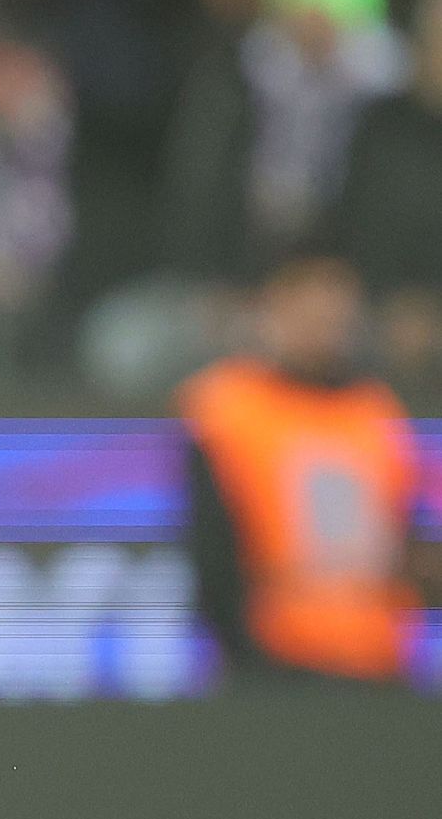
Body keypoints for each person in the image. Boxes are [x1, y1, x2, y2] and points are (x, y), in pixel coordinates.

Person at [178, 249, 430, 682]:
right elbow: (212, 547)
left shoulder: (376, 411)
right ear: (269, 309)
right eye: (306, 299)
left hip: (378, 658)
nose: (324, 317)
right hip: (276, 658)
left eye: (335, 298)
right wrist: (242, 654)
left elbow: (406, 532)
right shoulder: (227, 407)